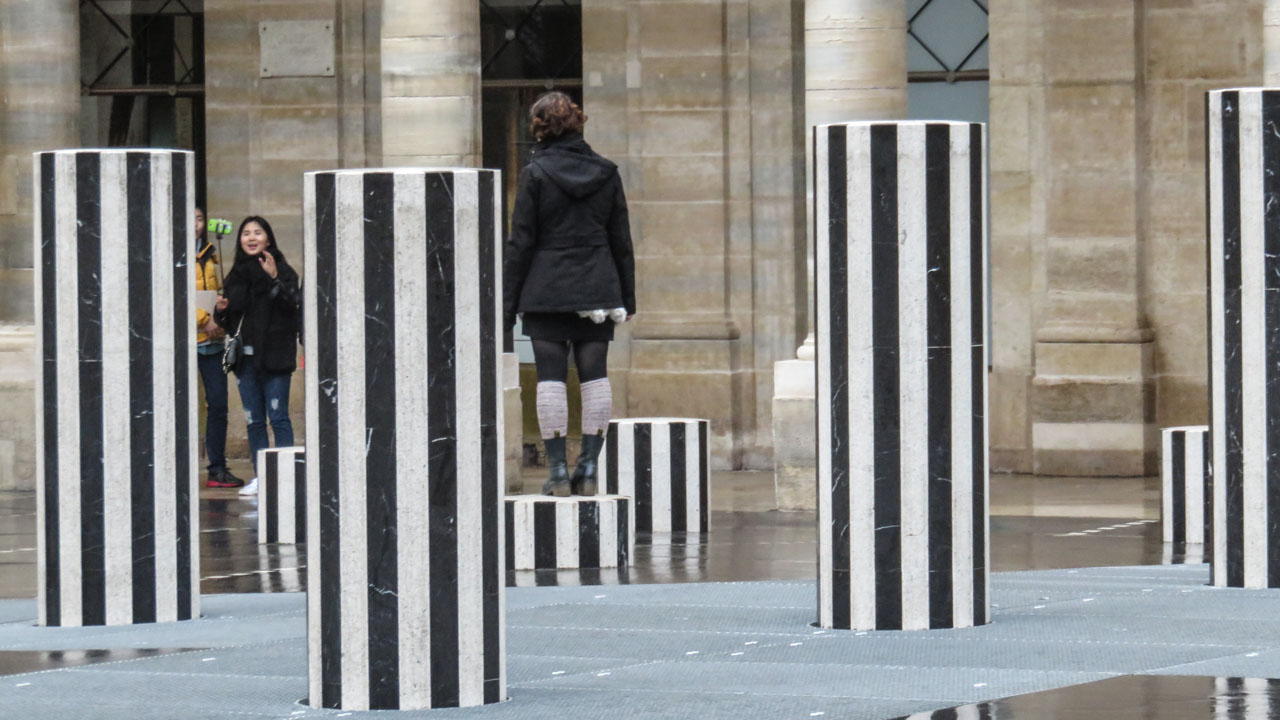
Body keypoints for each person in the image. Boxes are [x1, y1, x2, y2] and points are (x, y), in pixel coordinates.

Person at [504, 91, 636, 497]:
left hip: (546, 287)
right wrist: (627, 297)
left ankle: (559, 471)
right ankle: (590, 468)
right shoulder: (606, 172)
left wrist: (507, 304)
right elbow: (621, 240)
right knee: (595, 377)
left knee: (550, 377)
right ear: (578, 124)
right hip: (597, 285)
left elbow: (521, 242)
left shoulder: (535, 174)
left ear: (539, 127)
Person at [214, 216, 301, 496]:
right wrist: (221, 310)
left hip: (275, 358)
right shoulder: (236, 275)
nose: (251, 238)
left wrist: (274, 277)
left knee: (278, 417)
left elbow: (293, 306)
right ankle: (261, 476)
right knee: (254, 420)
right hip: (246, 360)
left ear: (268, 238)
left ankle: (286, 476)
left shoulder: (283, 269)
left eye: (257, 233)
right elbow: (230, 322)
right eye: (246, 233)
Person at [195, 206, 245, 489]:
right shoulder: (173, 255)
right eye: (190, 218)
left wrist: (220, 311)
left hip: (212, 343)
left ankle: (217, 467)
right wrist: (203, 319)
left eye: (200, 218)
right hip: (187, 340)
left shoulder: (212, 255)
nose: (196, 224)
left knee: (218, 405)